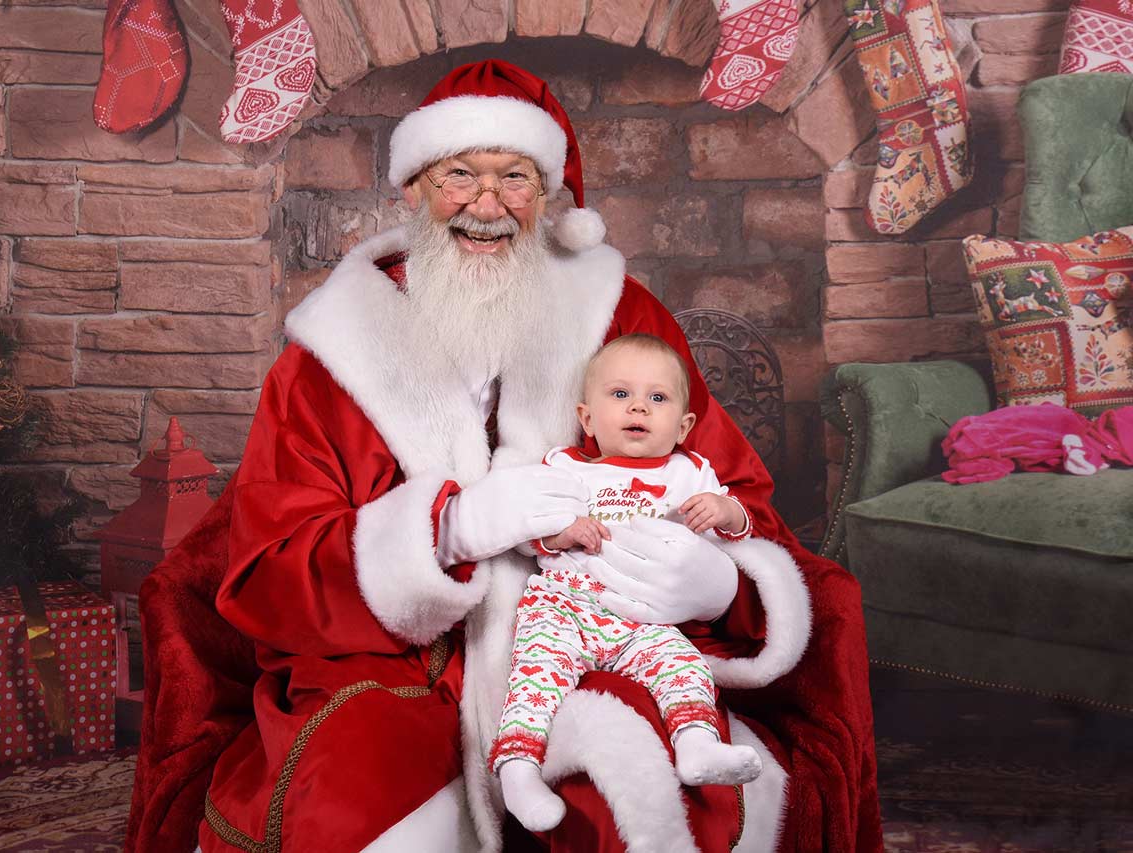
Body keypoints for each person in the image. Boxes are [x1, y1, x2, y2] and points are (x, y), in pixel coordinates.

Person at [125, 59, 884, 853]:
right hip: (399, 658)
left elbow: (732, 486)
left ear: (547, 195)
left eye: (514, 178)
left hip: (599, 629)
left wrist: (720, 575)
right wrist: (447, 532)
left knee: (658, 791)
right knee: (348, 803)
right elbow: (271, 564)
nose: (486, 205)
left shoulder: (618, 310)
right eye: (460, 175)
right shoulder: (330, 350)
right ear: (414, 188)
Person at [493, 334, 765, 834]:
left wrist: (724, 510)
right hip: (566, 605)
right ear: (588, 418)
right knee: (534, 677)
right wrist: (563, 532)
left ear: (683, 426)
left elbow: (742, 524)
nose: (639, 406)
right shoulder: (566, 467)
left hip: (643, 615)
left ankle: (696, 745)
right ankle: (518, 768)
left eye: (657, 398)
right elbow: (527, 534)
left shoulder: (689, 472)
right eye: (620, 395)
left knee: (682, 665)